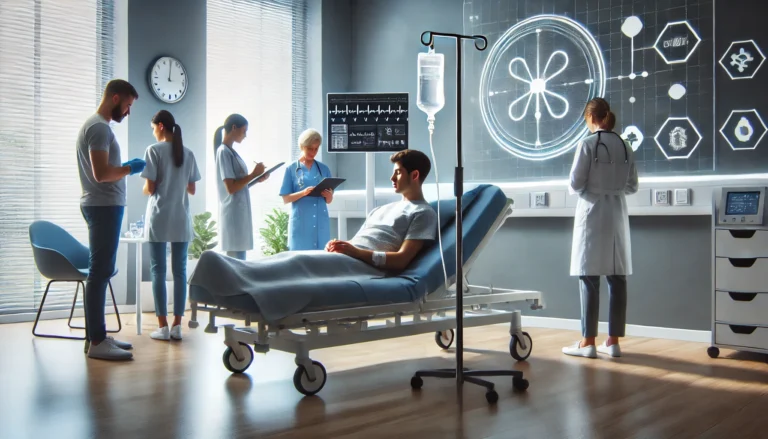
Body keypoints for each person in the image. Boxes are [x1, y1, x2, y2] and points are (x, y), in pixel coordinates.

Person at [562, 97, 639, 359]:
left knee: (589, 277)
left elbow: (574, 183)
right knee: (617, 278)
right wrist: (612, 189)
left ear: (591, 118)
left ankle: (588, 342)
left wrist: (592, 189)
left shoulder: (586, 144)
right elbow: (632, 186)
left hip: (591, 213)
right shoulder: (626, 145)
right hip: (616, 213)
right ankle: (614, 341)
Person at [76, 79, 145, 361]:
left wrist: (126, 167)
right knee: (99, 273)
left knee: (101, 272)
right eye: (128, 105)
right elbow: (102, 174)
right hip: (103, 206)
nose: (128, 112)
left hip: (105, 206)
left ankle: (98, 335)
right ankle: (96, 341)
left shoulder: (99, 127)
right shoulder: (99, 128)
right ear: (115, 98)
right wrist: (130, 168)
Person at [140, 110, 201, 341]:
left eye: (153, 127)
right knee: (180, 272)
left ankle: (162, 326)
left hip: (159, 217)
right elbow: (192, 189)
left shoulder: (153, 151)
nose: (154, 132)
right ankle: (177, 326)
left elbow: (150, 188)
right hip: (180, 218)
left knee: (158, 270)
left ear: (161, 126)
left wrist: (144, 187)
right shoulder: (188, 153)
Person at [326, 149, 438, 270]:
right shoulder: (379, 210)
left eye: (398, 172)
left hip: (362, 266)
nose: (392, 178)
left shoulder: (423, 213)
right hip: (345, 259)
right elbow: (356, 243)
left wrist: (357, 253)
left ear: (415, 175)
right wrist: (337, 246)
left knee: (303, 263)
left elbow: (401, 259)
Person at [213, 114, 268, 260]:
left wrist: (257, 178)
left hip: (238, 212)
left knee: (240, 259)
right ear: (234, 128)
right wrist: (253, 174)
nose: (245, 135)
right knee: (235, 262)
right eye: (244, 131)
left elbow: (239, 185)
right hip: (232, 214)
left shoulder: (231, 152)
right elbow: (230, 188)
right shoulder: (223, 152)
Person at [279, 128, 334, 251]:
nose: (313, 152)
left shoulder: (324, 169)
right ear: (302, 146)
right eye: (310, 148)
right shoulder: (291, 169)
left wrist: (328, 196)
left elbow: (329, 200)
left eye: (316, 149)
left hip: (321, 221)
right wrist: (303, 193)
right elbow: (286, 198)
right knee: (300, 260)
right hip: (301, 222)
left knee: (321, 259)